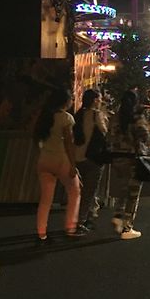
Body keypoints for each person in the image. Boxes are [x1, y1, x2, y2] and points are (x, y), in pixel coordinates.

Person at [33, 88, 82, 243]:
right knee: (74, 192)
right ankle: (70, 227)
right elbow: (69, 143)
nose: (72, 101)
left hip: (45, 159)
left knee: (46, 199)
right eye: (71, 99)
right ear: (65, 101)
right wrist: (73, 165)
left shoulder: (44, 117)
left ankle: (41, 232)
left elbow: (37, 141)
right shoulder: (66, 118)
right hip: (61, 160)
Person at [107, 90, 148, 239]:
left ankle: (118, 215)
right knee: (133, 194)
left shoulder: (116, 117)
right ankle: (127, 227)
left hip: (117, 157)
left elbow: (109, 135)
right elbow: (144, 135)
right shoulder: (136, 117)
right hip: (133, 158)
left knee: (123, 189)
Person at [73, 88, 108, 232]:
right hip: (92, 157)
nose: (101, 101)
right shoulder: (96, 115)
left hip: (77, 157)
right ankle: (81, 221)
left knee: (79, 191)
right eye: (99, 98)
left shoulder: (78, 114)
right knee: (89, 191)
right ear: (95, 100)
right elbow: (105, 132)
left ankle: (86, 217)